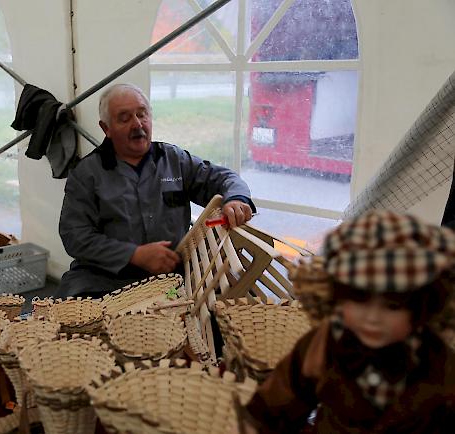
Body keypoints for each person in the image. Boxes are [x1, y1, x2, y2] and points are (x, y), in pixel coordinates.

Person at [243, 210, 455, 433]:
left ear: (420, 309)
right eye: (359, 300)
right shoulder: (328, 341)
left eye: (392, 307)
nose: (372, 318)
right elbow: (279, 402)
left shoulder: (439, 366)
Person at [59, 83, 256, 297]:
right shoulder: (86, 174)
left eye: (142, 114)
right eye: (124, 118)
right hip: (106, 277)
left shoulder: (174, 160)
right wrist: (133, 255)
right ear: (106, 129)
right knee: (73, 308)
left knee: (239, 297)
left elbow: (223, 178)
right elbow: (75, 235)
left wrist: (236, 198)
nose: (137, 124)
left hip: (172, 274)